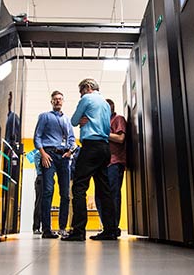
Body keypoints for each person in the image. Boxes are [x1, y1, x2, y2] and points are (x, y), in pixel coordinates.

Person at [62, 78, 118, 242]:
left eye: (81, 91)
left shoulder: (86, 99)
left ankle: (78, 231)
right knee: (104, 190)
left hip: (91, 147)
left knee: (79, 187)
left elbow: (73, 121)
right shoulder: (106, 104)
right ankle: (110, 230)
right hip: (105, 148)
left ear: (87, 87)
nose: (81, 95)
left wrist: (80, 120)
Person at [33, 91, 76, 238]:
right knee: (47, 192)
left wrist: (70, 151)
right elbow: (37, 137)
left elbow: (72, 140)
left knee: (65, 194)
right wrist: (43, 154)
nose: (57, 101)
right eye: (55, 99)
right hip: (49, 155)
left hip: (64, 157)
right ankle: (46, 230)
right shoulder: (45, 116)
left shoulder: (68, 120)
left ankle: (62, 227)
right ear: (51, 102)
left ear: (63, 101)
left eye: (60, 99)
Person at [95, 99, 126, 237]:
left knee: (113, 195)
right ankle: (107, 227)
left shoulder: (118, 119)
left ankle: (113, 227)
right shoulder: (102, 123)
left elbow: (120, 139)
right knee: (99, 197)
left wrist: (103, 134)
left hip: (115, 162)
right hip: (102, 164)